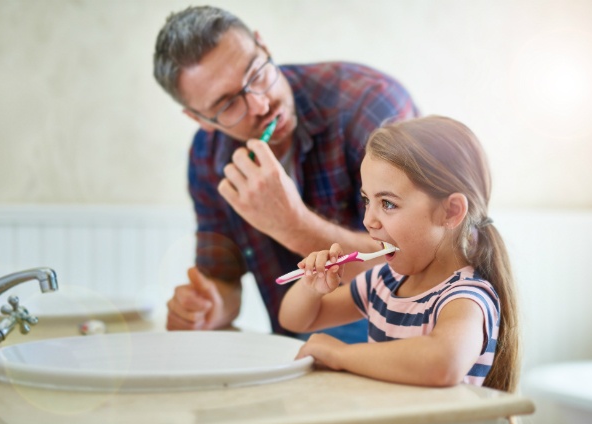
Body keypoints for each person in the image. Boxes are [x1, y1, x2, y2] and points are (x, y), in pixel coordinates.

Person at [152, 5, 419, 342]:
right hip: (296, 355)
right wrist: (210, 307)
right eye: (227, 104)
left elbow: (413, 261)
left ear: (264, 46)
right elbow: (224, 280)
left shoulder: (369, 104)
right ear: (200, 119)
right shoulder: (207, 156)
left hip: (404, 348)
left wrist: (291, 225)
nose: (261, 105)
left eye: (256, 74)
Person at [279, 116, 520, 393]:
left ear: (451, 211)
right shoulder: (383, 282)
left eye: (388, 203)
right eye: (367, 200)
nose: (369, 220)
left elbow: (443, 361)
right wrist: (312, 288)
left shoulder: (465, 296)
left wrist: (341, 355)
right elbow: (297, 320)